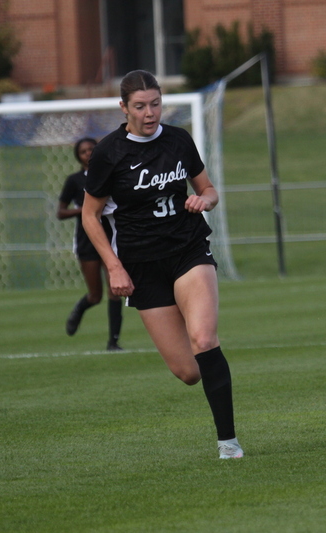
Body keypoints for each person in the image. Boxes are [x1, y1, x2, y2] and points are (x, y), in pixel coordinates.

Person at [81, 70, 243, 459]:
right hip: (140, 265)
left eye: (155, 104)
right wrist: (115, 267)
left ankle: (229, 443)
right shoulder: (108, 153)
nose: (150, 113)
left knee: (204, 338)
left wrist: (205, 201)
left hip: (187, 251)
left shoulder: (178, 140)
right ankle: (215, 372)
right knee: (188, 372)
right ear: (124, 108)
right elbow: (90, 215)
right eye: (140, 106)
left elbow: (209, 189)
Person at [57, 137, 123, 351]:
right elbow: (61, 212)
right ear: (78, 156)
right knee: (96, 295)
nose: (88, 153)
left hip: (111, 238)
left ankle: (113, 342)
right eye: (83, 151)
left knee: (115, 290)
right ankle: (80, 309)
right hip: (87, 241)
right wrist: (86, 210)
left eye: (92, 149)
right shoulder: (74, 180)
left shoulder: (110, 174)